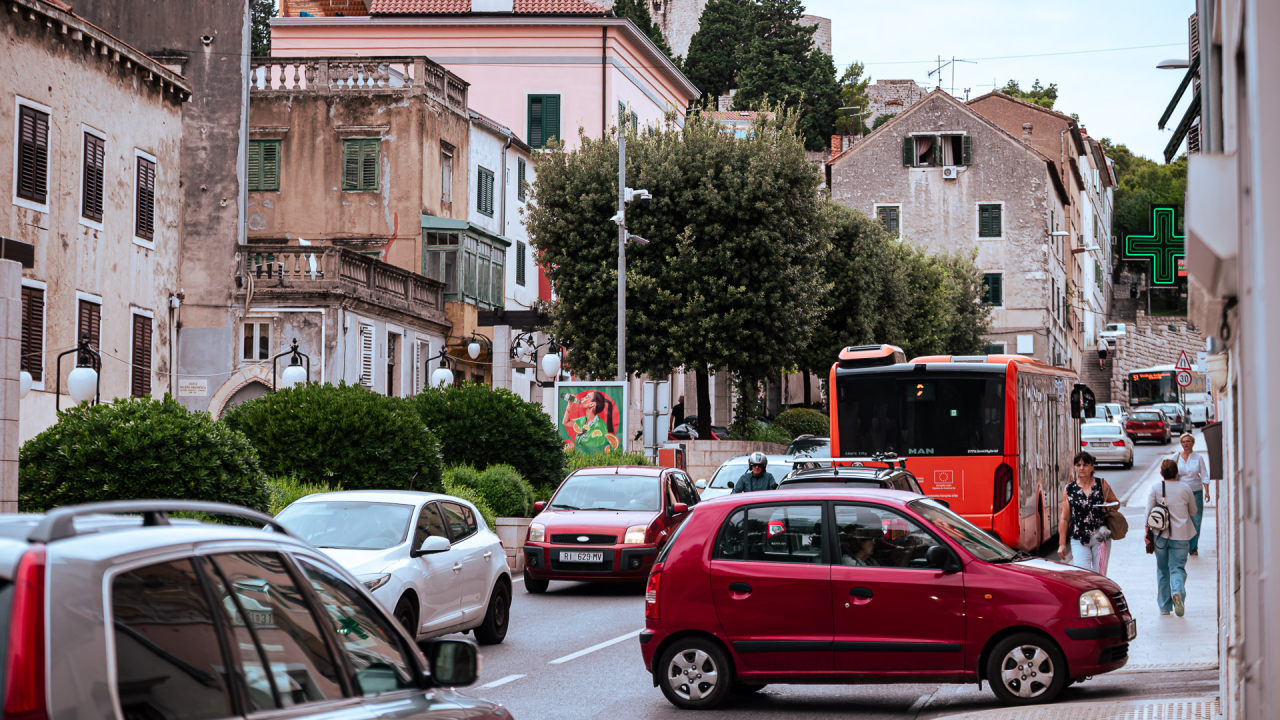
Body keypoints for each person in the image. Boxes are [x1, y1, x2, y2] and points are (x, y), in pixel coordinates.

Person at [1148, 459, 1199, 616]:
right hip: (1181, 536)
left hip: (1160, 535)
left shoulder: (1156, 488)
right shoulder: (1185, 488)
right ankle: (1177, 592)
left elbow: (1148, 513)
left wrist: (1146, 533)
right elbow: (1193, 511)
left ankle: (1164, 607)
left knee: (1163, 570)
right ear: (1177, 473)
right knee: (1177, 567)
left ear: (1161, 473)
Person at [1058, 451, 1120, 575]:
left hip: (1101, 538)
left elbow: (1116, 503)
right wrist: (1062, 544)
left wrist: (1108, 506)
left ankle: (1100, 594)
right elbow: (1065, 518)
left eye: (1085, 465)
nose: (1081, 468)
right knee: (1083, 576)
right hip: (1079, 538)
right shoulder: (1069, 489)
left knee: (1100, 576)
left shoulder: (1101, 484)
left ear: (1092, 467)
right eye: (1078, 465)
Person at [1176, 432, 1210, 555]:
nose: (1186, 444)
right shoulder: (1176, 457)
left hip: (1196, 491)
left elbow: (1204, 475)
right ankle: (1183, 545)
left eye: (1188, 441)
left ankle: (1193, 547)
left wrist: (1207, 491)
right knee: (1183, 520)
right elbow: (1170, 473)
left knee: (1196, 519)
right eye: (1183, 442)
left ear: (1192, 443)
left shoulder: (1198, 458)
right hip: (1181, 493)